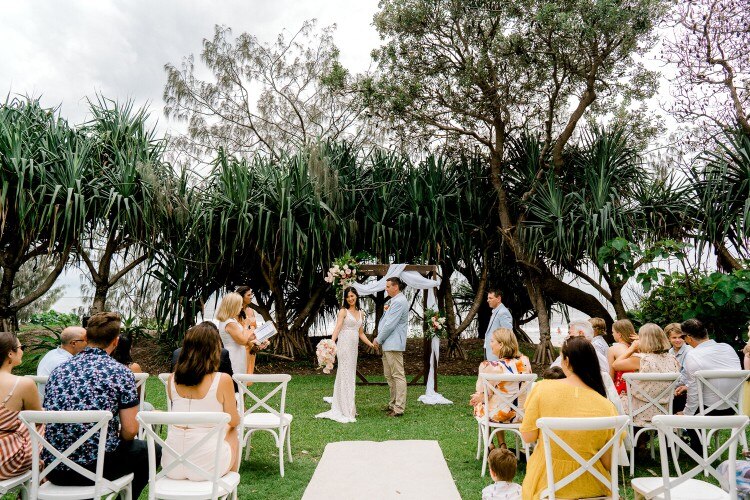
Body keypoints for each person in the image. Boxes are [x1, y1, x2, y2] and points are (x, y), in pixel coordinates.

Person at [43, 312, 160, 499]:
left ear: (86, 338)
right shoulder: (120, 373)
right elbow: (130, 430)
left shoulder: (58, 371)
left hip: (54, 468)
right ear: (115, 341)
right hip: (95, 469)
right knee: (150, 451)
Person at [521, 337, 618, 500]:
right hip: (594, 486)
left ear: (566, 361)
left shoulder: (542, 388)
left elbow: (528, 436)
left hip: (547, 484)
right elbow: (609, 463)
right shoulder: (607, 406)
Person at [163, 322, 240, 478]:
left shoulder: (172, 379)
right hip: (207, 465)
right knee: (233, 430)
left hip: (171, 464)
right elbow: (234, 421)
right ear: (214, 349)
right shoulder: (223, 379)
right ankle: (232, 493)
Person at [676, 318, 742, 455]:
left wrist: (686, 415)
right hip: (732, 408)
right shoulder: (727, 348)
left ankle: (696, 449)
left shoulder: (692, 355)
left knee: (677, 400)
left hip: (708, 412)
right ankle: (696, 445)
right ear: (705, 333)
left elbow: (694, 394)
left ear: (688, 337)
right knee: (689, 396)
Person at [612, 323, 680, 453]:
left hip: (639, 411)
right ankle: (640, 444)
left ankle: (623, 448)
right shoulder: (672, 359)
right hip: (663, 409)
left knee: (615, 400)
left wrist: (632, 348)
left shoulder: (642, 359)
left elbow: (615, 365)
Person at [316, 287, 375, 423]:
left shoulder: (361, 313)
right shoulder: (343, 311)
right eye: (348, 297)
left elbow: (360, 333)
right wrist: (331, 343)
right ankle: (344, 408)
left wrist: (370, 344)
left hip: (353, 348)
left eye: (352, 296)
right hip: (344, 346)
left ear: (356, 296)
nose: (350, 299)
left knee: (350, 375)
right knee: (344, 374)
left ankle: (349, 406)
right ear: (345, 298)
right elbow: (337, 327)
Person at [470, 328, 532, 449]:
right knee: (497, 403)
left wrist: (478, 397)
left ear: (501, 344)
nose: (490, 344)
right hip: (521, 415)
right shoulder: (525, 362)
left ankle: (490, 444)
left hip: (499, 415)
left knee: (481, 404)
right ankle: (502, 444)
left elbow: (484, 393)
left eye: (492, 341)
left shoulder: (489, 366)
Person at [0, 332, 42, 480]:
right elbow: (38, 421)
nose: (22, 351)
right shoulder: (23, 383)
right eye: (21, 347)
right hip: (6, 461)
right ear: (10, 353)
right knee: (43, 423)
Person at [372, 277, 408, 417]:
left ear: (396, 287)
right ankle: (393, 404)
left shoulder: (399, 301)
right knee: (389, 376)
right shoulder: (394, 301)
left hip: (393, 343)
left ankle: (399, 408)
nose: (386, 289)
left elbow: (390, 325)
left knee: (398, 375)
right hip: (388, 343)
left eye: (388, 286)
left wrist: (378, 339)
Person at [171, 322, 237, 393]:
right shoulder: (221, 353)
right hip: (214, 395)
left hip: (181, 396)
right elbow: (232, 386)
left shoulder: (177, 353)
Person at [36, 326, 87, 398]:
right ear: (73, 343)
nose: (88, 343)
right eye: (86, 340)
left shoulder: (51, 353)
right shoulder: (66, 364)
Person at [215, 292, 257, 375]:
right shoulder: (230, 323)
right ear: (233, 306)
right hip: (234, 356)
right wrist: (246, 325)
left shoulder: (230, 320)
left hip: (237, 354)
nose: (242, 307)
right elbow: (242, 340)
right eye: (240, 305)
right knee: (237, 380)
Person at [235, 286, 268, 374]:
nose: (251, 297)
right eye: (248, 295)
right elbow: (238, 333)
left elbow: (254, 329)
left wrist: (262, 340)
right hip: (242, 348)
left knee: (249, 376)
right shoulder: (235, 312)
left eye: (251, 294)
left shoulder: (250, 311)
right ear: (241, 297)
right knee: (241, 376)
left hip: (252, 348)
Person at [665, 322, 691, 413]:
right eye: (674, 337)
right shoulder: (669, 352)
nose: (678, 340)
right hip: (673, 388)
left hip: (686, 389)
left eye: (680, 337)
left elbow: (686, 375)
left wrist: (670, 388)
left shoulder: (689, 351)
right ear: (668, 339)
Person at [483, 289, 513, 362]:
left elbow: (508, 334)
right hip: (490, 351)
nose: (488, 300)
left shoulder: (503, 312)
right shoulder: (496, 311)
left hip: (497, 354)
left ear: (498, 299)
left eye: (490, 298)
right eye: (488, 298)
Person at [608, 319, 637, 391]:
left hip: (621, 391)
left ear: (619, 334)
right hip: (639, 390)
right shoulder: (640, 348)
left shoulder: (613, 349)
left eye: (613, 332)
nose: (612, 334)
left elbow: (610, 377)